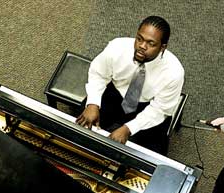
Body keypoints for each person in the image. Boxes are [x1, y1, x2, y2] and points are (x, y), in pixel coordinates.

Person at [76, 16, 184, 156]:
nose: (142, 46)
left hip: (148, 106)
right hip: (115, 94)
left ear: (163, 47)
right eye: (139, 38)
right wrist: (93, 103)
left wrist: (128, 128)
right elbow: (99, 74)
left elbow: (160, 109)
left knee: (151, 158)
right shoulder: (117, 47)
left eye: (150, 43)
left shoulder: (174, 72)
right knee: (81, 129)